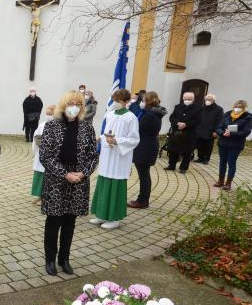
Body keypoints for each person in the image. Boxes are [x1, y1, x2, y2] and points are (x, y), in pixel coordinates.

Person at [39, 91, 98, 275]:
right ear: (63, 105)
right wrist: (65, 174)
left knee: (70, 222)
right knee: (53, 221)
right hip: (57, 180)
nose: (74, 107)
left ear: (82, 107)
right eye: (70, 103)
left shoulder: (87, 128)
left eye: (78, 104)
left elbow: (93, 156)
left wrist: (83, 173)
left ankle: (64, 258)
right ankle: (50, 259)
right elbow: (46, 157)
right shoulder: (51, 126)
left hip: (78, 181)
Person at [89, 89, 140, 229]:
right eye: (114, 100)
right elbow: (107, 132)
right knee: (104, 182)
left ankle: (114, 218)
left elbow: (134, 139)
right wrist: (100, 138)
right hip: (107, 155)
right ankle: (101, 215)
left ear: (126, 102)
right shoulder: (110, 114)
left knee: (115, 185)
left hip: (119, 157)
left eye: (119, 101)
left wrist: (117, 141)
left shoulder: (131, 117)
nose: (115, 103)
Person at [129, 91, 166, 209]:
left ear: (149, 101)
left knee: (144, 176)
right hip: (148, 146)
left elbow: (138, 128)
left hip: (145, 148)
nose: (141, 103)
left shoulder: (150, 115)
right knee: (144, 175)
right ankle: (143, 199)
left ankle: (143, 201)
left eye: (144, 100)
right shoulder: (153, 113)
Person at [214, 100, 252, 191]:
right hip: (223, 142)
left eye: (240, 107)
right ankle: (220, 181)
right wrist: (222, 133)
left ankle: (228, 183)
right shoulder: (227, 115)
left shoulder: (247, 118)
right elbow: (219, 127)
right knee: (222, 162)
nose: (237, 108)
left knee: (231, 163)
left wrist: (231, 134)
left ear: (244, 108)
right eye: (236, 106)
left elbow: (246, 132)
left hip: (236, 145)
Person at [165, 92, 201, 173]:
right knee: (173, 149)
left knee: (187, 152)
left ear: (193, 99)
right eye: (185, 99)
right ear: (183, 99)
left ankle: (183, 168)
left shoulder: (198, 108)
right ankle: (171, 165)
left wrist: (186, 124)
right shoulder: (178, 106)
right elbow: (172, 117)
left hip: (189, 132)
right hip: (176, 131)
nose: (187, 100)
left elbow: (198, 120)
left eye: (189, 99)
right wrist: (177, 123)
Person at [31, 105, 55, 204]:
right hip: (40, 153)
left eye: (50, 114)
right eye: (47, 113)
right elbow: (36, 134)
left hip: (49, 155)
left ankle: (45, 197)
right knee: (39, 174)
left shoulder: (57, 125)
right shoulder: (42, 124)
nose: (48, 116)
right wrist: (37, 140)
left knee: (46, 176)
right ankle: (39, 195)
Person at [193, 93, 224, 164]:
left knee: (208, 146)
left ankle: (206, 159)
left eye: (209, 99)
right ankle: (200, 157)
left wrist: (216, 131)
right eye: (206, 99)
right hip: (200, 129)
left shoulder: (219, 109)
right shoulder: (202, 108)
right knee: (199, 144)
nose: (207, 101)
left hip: (211, 130)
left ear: (213, 100)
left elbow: (220, 121)